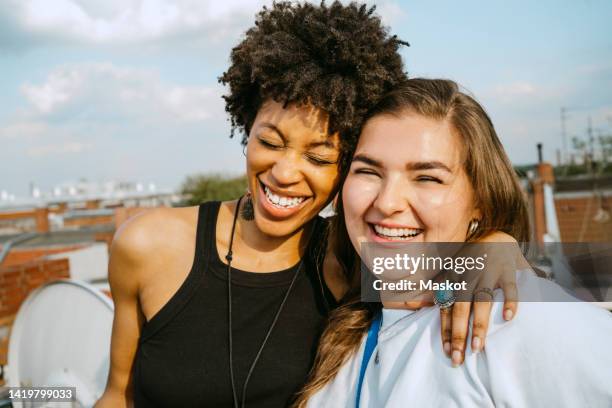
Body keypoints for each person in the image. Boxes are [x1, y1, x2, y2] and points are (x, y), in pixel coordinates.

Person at [95, 4, 522, 407]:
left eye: (318, 158)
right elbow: (118, 394)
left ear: (350, 168)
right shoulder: (147, 244)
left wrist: (491, 245)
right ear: (247, 130)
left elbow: (434, 294)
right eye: (268, 142)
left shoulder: (352, 263)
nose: (284, 172)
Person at [296, 78, 612, 407]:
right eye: (368, 171)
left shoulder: (516, 317)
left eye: (428, 178)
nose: (388, 202)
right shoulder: (340, 329)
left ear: (480, 201)